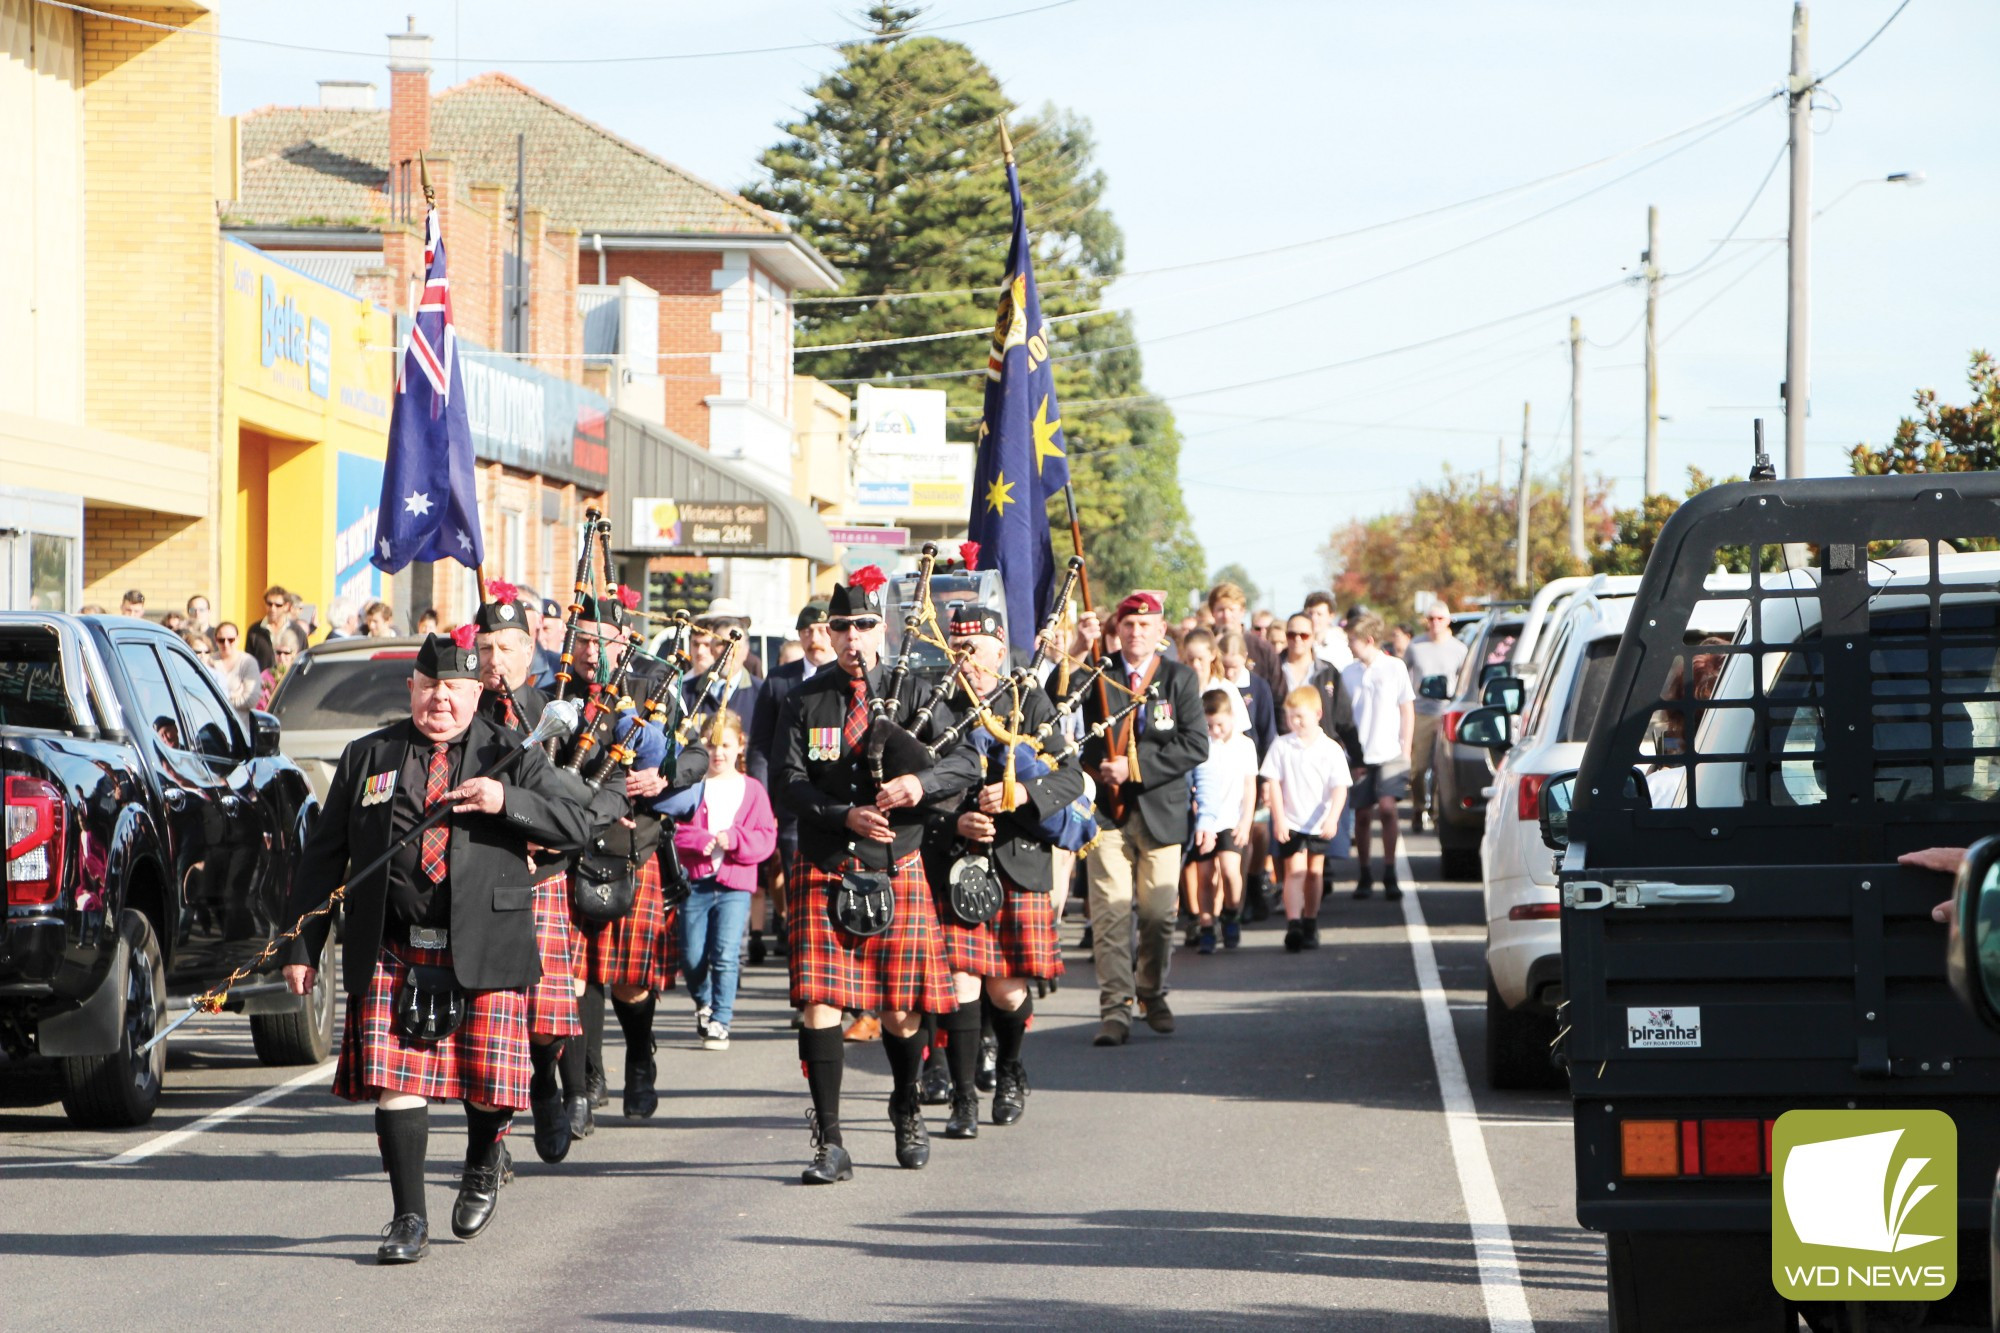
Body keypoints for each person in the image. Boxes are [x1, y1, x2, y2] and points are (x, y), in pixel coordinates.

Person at [280, 633, 592, 1264]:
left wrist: (506, 801)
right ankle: (407, 1217)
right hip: (394, 943)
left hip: (485, 940)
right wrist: (302, 946)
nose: (440, 699)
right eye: (429, 687)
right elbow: (323, 858)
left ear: (478, 694)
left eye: (454, 688)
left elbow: (578, 825)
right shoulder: (369, 754)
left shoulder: (512, 754)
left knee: (488, 1087)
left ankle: (483, 1161)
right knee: (398, 1083)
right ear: (411, 690)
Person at [775, 567, 980, 1183]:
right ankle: (830, 1141)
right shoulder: (806, 699)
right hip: (829, 861)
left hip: (900, 861)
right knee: (820, 1002)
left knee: (902, 1013)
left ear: (881, 628)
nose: (851, 637)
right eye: (840, 627)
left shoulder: (919, 690)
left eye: (863, 625)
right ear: (829, 634)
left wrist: (921, 783)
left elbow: (967, 757)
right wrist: (845, 814)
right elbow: (788, 781)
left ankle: (905, 1104)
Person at [921, 604, 1084, 1136]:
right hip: (957, 862)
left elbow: (1071, 780)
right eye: (957, 650)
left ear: (998, 648)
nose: (965, 661)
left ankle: (1011, 1068)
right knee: (962, 984)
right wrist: (958, 822)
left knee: (1006, 992)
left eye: (974, 651)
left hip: (1018, 862)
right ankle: (964, 1101)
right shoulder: (936, 704)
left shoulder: (1030, 701)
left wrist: (1019, 794)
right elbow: (920, 788)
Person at [565, 594, 704, 1124]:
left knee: (627, 977)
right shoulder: (552, 692)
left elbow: (694, 754)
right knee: (577, 973)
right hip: (573, 847)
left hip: (635, 847)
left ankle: (640, 1057)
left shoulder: (655, 687)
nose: (589, 651)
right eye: (580, 640)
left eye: (600, 642)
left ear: (625, 640)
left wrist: (665, 776)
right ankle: (584, 1081)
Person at [471, 585, 588, 1163]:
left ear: (529, 648)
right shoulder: (460, 712)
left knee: (542, 1020)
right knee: (490, 1022)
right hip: (481, 879)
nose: (496, 660)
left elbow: (579, 803)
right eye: (486, 647)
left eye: (507, 647)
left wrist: (543, 838)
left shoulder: (556, 712)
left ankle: (546, 1080)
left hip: (540, 879)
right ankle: (491, 1145)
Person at [1069, 591, 1208, 1048]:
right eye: (1129, 625)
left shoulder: (1179, 678)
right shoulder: (1098, 670)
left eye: (1146, 625)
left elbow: (1195, 744)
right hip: (1106, 815)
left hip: (1160, 813)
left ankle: (1151, 990)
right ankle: (1115, 1010)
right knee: (1109, 917)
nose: (1136, 633)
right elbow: (1056, 705)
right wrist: (1075, 649)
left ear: (1161, 632)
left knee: (1156, 916)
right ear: (1116, 629)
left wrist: (1137, 766)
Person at [673, 714, 774, 1052]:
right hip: (696, 883)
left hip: (735, 883)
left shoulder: (753, 789)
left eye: (726, 745)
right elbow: (674, 830)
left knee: (726, 954)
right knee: (691, 955)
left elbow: (766, 837)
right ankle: (703, 1002)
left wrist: (736, 839)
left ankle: (721, 1020)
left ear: (740, 746)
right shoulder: (692, 786)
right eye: (711, 745)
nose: (718, 753)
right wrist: (696, 840)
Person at [748, 600, 834, 966]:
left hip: (835, 802)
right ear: (799, 636)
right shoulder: (780, 680)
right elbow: (761, 746)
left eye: (822, 629)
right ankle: (804, 965)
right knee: (801, 890)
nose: (815, 638)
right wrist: (762, 798)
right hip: (791, 805)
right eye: (807, 631)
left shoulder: (846, 676)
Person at [1262, 686, 1354, 950]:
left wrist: (1333, 818)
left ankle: (1311, 921)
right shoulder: (1282, 746)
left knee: (1314, 873)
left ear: (1318, 714)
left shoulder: (1331, 749)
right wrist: (1278, 818)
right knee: (1294, 871)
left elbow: (1339, 788)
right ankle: (1294, 924)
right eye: (1291, 717)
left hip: (1318, 821)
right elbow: (1274, 783)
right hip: (1292, 820)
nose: (1296, 722)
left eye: (1301, 717)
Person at [1344, 613, 1415, 899]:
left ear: (1369, 641)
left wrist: (1406, 748)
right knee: (1362, 815)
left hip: (1391, 752)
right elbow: (1345, 715)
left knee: (1387, 808)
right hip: (1361, 754)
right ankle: (1364, 872)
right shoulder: (1348, 673)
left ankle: (1389, 870)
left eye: (1353, 641)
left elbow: (1406, 708)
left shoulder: (1394, 668)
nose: (1350, 646)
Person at [1189, 689, 1257, 953]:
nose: (1215, 730)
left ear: (1231, 717)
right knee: (1205, 875)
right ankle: (1207, 925)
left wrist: (1245, 821)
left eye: (1220, 724)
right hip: (1205, 820)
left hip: (1232, 817)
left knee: (1230, 870)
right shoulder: (1200, 744)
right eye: (1209, 725)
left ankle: (1231, 914)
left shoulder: (1244, 746)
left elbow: (1249, 786)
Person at [1405, 602, 1469, 834]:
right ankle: (1419, 806)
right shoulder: (1416, 646)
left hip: (1447, 713)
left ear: (1448, 621)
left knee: (1441, 766)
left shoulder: (1459, 649)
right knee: (1418, 768)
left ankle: (1436, 810)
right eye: (1431, 619)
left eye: (1440, 619)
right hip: (1421, 712)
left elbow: (1465, 682)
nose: (1435, 623)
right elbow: (1403, 674)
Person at [1208, 582, 1282, 696]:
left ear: (1242, 611)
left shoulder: (1262, 650)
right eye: (1221, 610)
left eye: (1232, 609)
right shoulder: (1205, 647)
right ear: (1212, 612)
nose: (1226, 616)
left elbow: (1278, 695)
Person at [209, 621, 263, 731]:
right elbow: (203, 698)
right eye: (221, 640)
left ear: (238, 639)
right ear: (216, 640)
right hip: (214, 729)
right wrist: (233, 694)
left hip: (240, 731)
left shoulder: (248, 662)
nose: (226, 644)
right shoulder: (209, 662)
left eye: (231, 640)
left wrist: (221, 699)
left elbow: (251, 699)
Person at [246, 585, 307, 670]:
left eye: (278, 605)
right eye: (269, 604)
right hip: (262, 682)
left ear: (286, 606)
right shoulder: (254, 631)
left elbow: (304, 662)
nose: (272, 609)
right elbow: (249, 663)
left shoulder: (298, 632)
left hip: (289, 682)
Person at [257, 627, 307, 710]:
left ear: (294, 653)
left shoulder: (300, 674)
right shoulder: (265, 676)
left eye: (286, 653)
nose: (282, 657)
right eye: (278, 653)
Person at [1304, 591, 1353, 672]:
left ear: (1331, 616)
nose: (1314, 618)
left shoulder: (1340, 647)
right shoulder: (1297, 641)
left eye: (1319, 614)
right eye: (1310, 613)